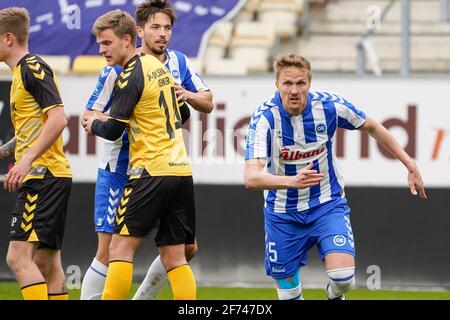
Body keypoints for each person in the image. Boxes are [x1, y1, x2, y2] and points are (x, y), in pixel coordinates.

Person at [244, 53, 427, 300]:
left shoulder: (329, 106)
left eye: (301, 83)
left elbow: (372, 126)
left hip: (326, 204)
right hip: (282, 214)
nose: (294, 90)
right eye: (287, 83)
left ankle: (333, 294)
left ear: (309, 83)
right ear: (277, 84)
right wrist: (292, 181)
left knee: (344, 277)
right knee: (289, 296)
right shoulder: (264, 119)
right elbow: (251, 178)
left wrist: (409, 163)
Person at [80, 0, 213, 300]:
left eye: (105, 43)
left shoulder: (139, 70)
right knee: (169, 254)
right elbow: (184, 114)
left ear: (127, 40)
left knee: (121, 249)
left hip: (147, 169)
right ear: (139, 32)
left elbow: (111, 126)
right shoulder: (157, 69)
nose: (162, 33)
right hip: (163, 167)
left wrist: (101, 126)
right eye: (156, 27)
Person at [0, 7, 72, 300]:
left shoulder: (32, 67)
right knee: (46, 262)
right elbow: (32, 131)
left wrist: (25, 162)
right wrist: (5, 152)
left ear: (7, 38)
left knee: (17, 258)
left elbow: (58, 119)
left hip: (43, 176)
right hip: (50, 175)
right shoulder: (21, 73)